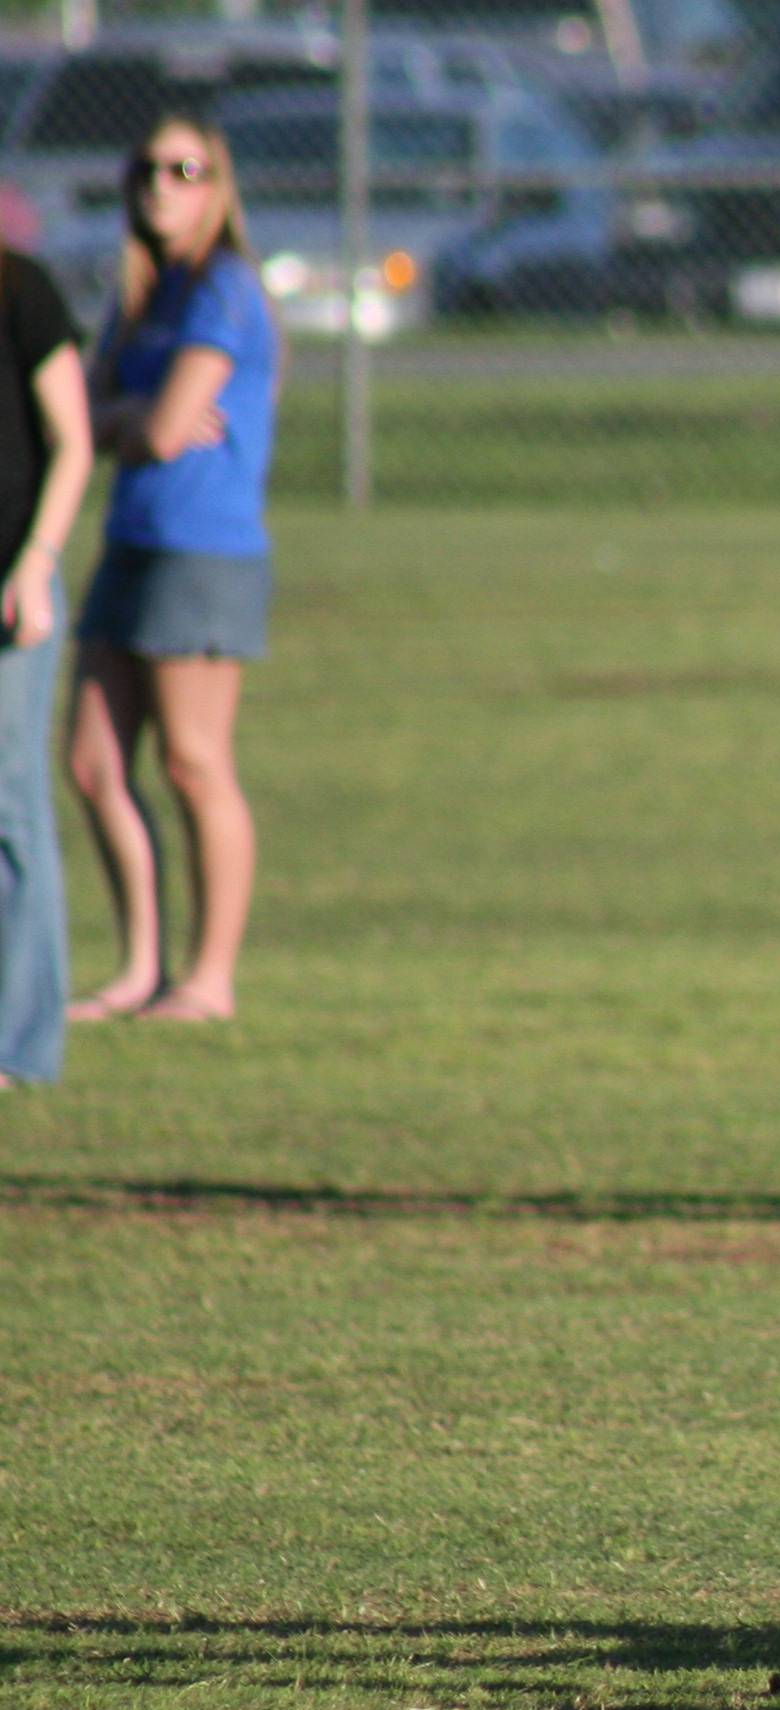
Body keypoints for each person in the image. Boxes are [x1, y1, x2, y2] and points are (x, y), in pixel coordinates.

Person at [67, 111, 277, 1028]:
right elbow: (84, 417)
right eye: (148, 169)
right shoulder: (140, 295)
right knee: (93, 762)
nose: (162, 185)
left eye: (185, 170)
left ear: (217, 186)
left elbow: (148, 430)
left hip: (204, 546)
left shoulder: (224, 289)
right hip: (132, 538)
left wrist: (127, 419)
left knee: (194, 762)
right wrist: (128, 420)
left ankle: (209, 979)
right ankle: (141, 970)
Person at [0, 231, 91, 1089]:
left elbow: (73, 440)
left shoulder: (19, 287)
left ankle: (20, 1045)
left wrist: (35, 563)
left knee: (11, 808)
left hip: (10, 590)